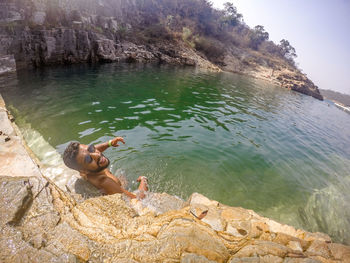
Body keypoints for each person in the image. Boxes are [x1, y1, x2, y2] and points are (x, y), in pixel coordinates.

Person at [63, 136, 148, 199]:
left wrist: (110, 143)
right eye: (89, 159)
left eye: (91, 149)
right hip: (118, 189)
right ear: (83, 171)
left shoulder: (87, 169)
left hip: (118, 184)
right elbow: (137, 200)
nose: (97, 154)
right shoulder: (104, 182)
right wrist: (143, 180)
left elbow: (92, 151)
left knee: (122, 172)